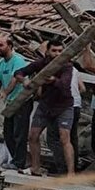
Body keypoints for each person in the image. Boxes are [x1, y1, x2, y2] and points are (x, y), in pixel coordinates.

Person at [8, 40, 76, 176]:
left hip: (63, 106)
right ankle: (35, 168)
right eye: (54, 50)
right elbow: (19, 72)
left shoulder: (67, 66)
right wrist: (24, 80)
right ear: (47, 52)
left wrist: (53, 80)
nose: (57, 54)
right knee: (33, 136)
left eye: (60, 51)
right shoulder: (41, 63)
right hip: (45, 105)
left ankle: (71, 173)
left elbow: (64, 84)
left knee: (64, 138)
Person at [0, 36, 29, 169]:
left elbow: (15, 79)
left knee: (19, 133)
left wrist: (5, 92)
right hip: (11, 102)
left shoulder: (18, 61)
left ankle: (19, 163)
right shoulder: (1, 62)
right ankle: (16, 160)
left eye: (1, 45)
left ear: (10, 46)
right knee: (8, 133)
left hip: (22, 100)